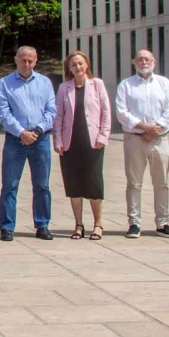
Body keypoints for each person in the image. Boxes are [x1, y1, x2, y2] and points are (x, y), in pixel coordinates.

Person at [0, 46, 57, 242]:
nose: (27, 64)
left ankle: (42, 224)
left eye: (31, 60)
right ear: (16, 60)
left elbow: (51, 110)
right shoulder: (4, 84)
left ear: (36, 61)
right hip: (15, 140)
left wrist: (37, 130)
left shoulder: (45, 83)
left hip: (41, 139)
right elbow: (3, 114)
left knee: (42, 185)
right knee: (10, 185)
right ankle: (7, 227)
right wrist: (21, 132)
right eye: (23, 60)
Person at [115, 49, 169, 239]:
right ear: (134, 62)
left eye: (147, 59)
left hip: (159, 139)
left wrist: (155, 129)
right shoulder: (126, 85)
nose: (144, 62)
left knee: (162, 183)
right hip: (135, 139)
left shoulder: (164, 83)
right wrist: (143, 127)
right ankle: (134, 223)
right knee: (134, 183)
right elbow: (122, 112)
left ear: (154, 62)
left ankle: (163, 222)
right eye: (140, 59)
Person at [53, 51, 112, 241]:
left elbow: (105, 111)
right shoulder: (64, 88)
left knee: (94, 182)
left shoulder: (97, 85)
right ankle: (78, 224)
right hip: (71, 142)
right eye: (73, 65)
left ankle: (98, 223)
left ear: (86, 64)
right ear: (69, 69)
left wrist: (103, 136)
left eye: (80, 63)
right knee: (74, 184)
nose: (77, 67)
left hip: (92, 141)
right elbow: (59, 116)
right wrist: (58, 140)